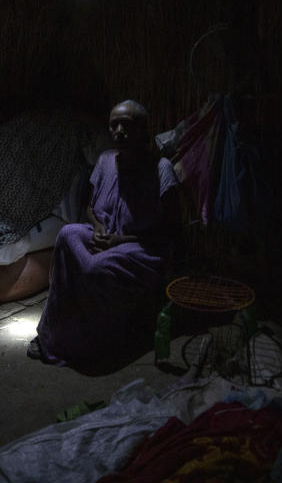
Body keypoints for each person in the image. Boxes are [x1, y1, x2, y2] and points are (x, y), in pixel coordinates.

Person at [28, 100, 180, 370]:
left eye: (127, 125)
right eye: (114, 125)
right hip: (104, 236)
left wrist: (120, 241)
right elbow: (89, 207)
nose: (119, 131)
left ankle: (89, 342)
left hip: (141, 247)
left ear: (143, 131)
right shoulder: (106, 160)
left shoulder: (161, 169)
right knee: (67, 234)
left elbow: (169, 229)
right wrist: (97, 227)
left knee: (94, 267)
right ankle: (54, 332)